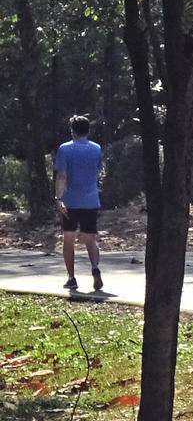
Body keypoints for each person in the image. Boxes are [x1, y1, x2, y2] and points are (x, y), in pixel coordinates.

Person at [54, 115, 104, 292]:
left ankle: (71, 277)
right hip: (91, 199)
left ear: (72, 130)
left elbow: (62, 176)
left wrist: (59, 198)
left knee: (69, 239)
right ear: (88, 130)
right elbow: (97, 171)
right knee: (90, 238)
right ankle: (95, 268)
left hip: (71, 200)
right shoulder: (96, 149)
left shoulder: (65, 149)